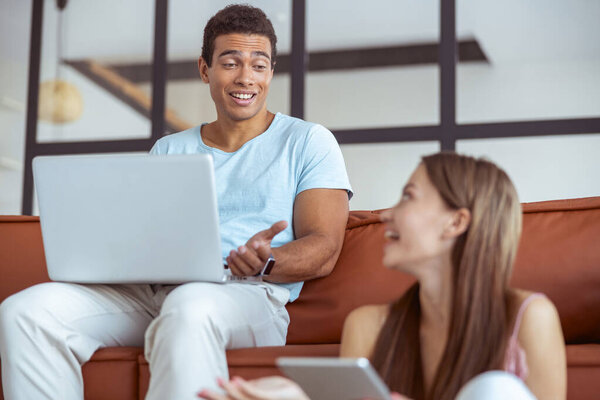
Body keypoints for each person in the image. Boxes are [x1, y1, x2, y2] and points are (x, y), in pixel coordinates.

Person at [0, 5, 352, 400]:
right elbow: (146, 237)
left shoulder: (308, 141)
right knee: (26, 312)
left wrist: (267, 261)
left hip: (251, 294)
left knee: (189, 305)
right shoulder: (169, 148)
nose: (245, 78)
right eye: (230, 62)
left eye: (258, 65)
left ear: (270, 72)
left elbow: (325, 246)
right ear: (205, 70)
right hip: (156, 292)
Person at [199, 152, 566, 400]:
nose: (388, 214)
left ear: (456, 222)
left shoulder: (529, 318)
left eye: (409, 197)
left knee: (496, 391)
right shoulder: (367, 326)